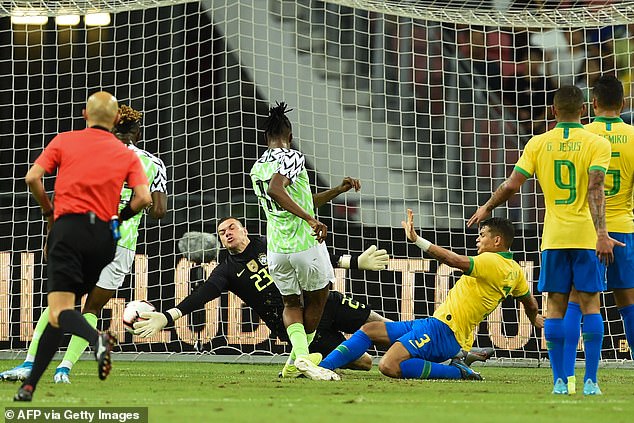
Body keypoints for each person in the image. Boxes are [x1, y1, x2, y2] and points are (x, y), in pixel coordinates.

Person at [468, 85, 621, 395]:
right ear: (583, 111)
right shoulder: (596, 143)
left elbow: (512, 186)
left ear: (553, 111)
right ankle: (591, 382)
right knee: (591, 304)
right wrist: (603, 233)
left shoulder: (538, 143)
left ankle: (560, 382)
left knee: (554, 306)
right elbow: (595, 189)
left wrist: (487, 206)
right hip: (585, 236)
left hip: (553, 237)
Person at [1, 104, 167, 384]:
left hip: (83, 234)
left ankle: (29, 365)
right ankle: (63, 370)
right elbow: (158, 210)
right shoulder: (153, 163)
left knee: (60, 302)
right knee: (91, 309)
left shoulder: (93, 154)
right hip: (121, 244)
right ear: (137, 133)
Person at [133, 217, 387, 373]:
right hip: (292, 322)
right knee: (364, 363)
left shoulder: (269, 243)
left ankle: (419, 349)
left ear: (244, 230)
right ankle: (307, 359)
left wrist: (353, 261)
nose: (227, 233)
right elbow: (203, 294)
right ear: (221, 242)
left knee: (381, 325)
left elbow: (313, 256)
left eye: (231, 227)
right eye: (222, 233)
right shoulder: (227, 271)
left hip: (319, 301)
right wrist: (167, 317)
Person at [317, 209, 542, 381]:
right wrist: (535, 319)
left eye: (482, 235)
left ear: (497, 241)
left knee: (389, 365)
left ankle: (457, 372)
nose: (477, 239)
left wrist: (417, 241)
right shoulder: (515, 271)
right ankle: (322, 370)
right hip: (436, 324)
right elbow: (529, 302)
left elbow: (452, 260)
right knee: (368, 330)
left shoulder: (491, 261)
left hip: (445, 331)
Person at [248, 102, 359, 381]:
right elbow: (277, 189)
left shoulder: (256, 166)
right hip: (304, 244)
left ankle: (297, 360)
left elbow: (300, 201)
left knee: (290, 304)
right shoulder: (292, 156)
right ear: (291, 136)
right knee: (320, 297)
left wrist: (337, 190)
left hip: (276, 250)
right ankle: (303, 356)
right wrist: (311, 221)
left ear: (265, 138)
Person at [562, 75, 634, 395]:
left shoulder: (583, 135)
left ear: (592, 104)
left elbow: (583, 185)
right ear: (622, 103)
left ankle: (568, 377)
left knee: (579, 301)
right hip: (625, 228)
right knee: (628, 302)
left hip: (587, 231)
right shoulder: (633, 136)